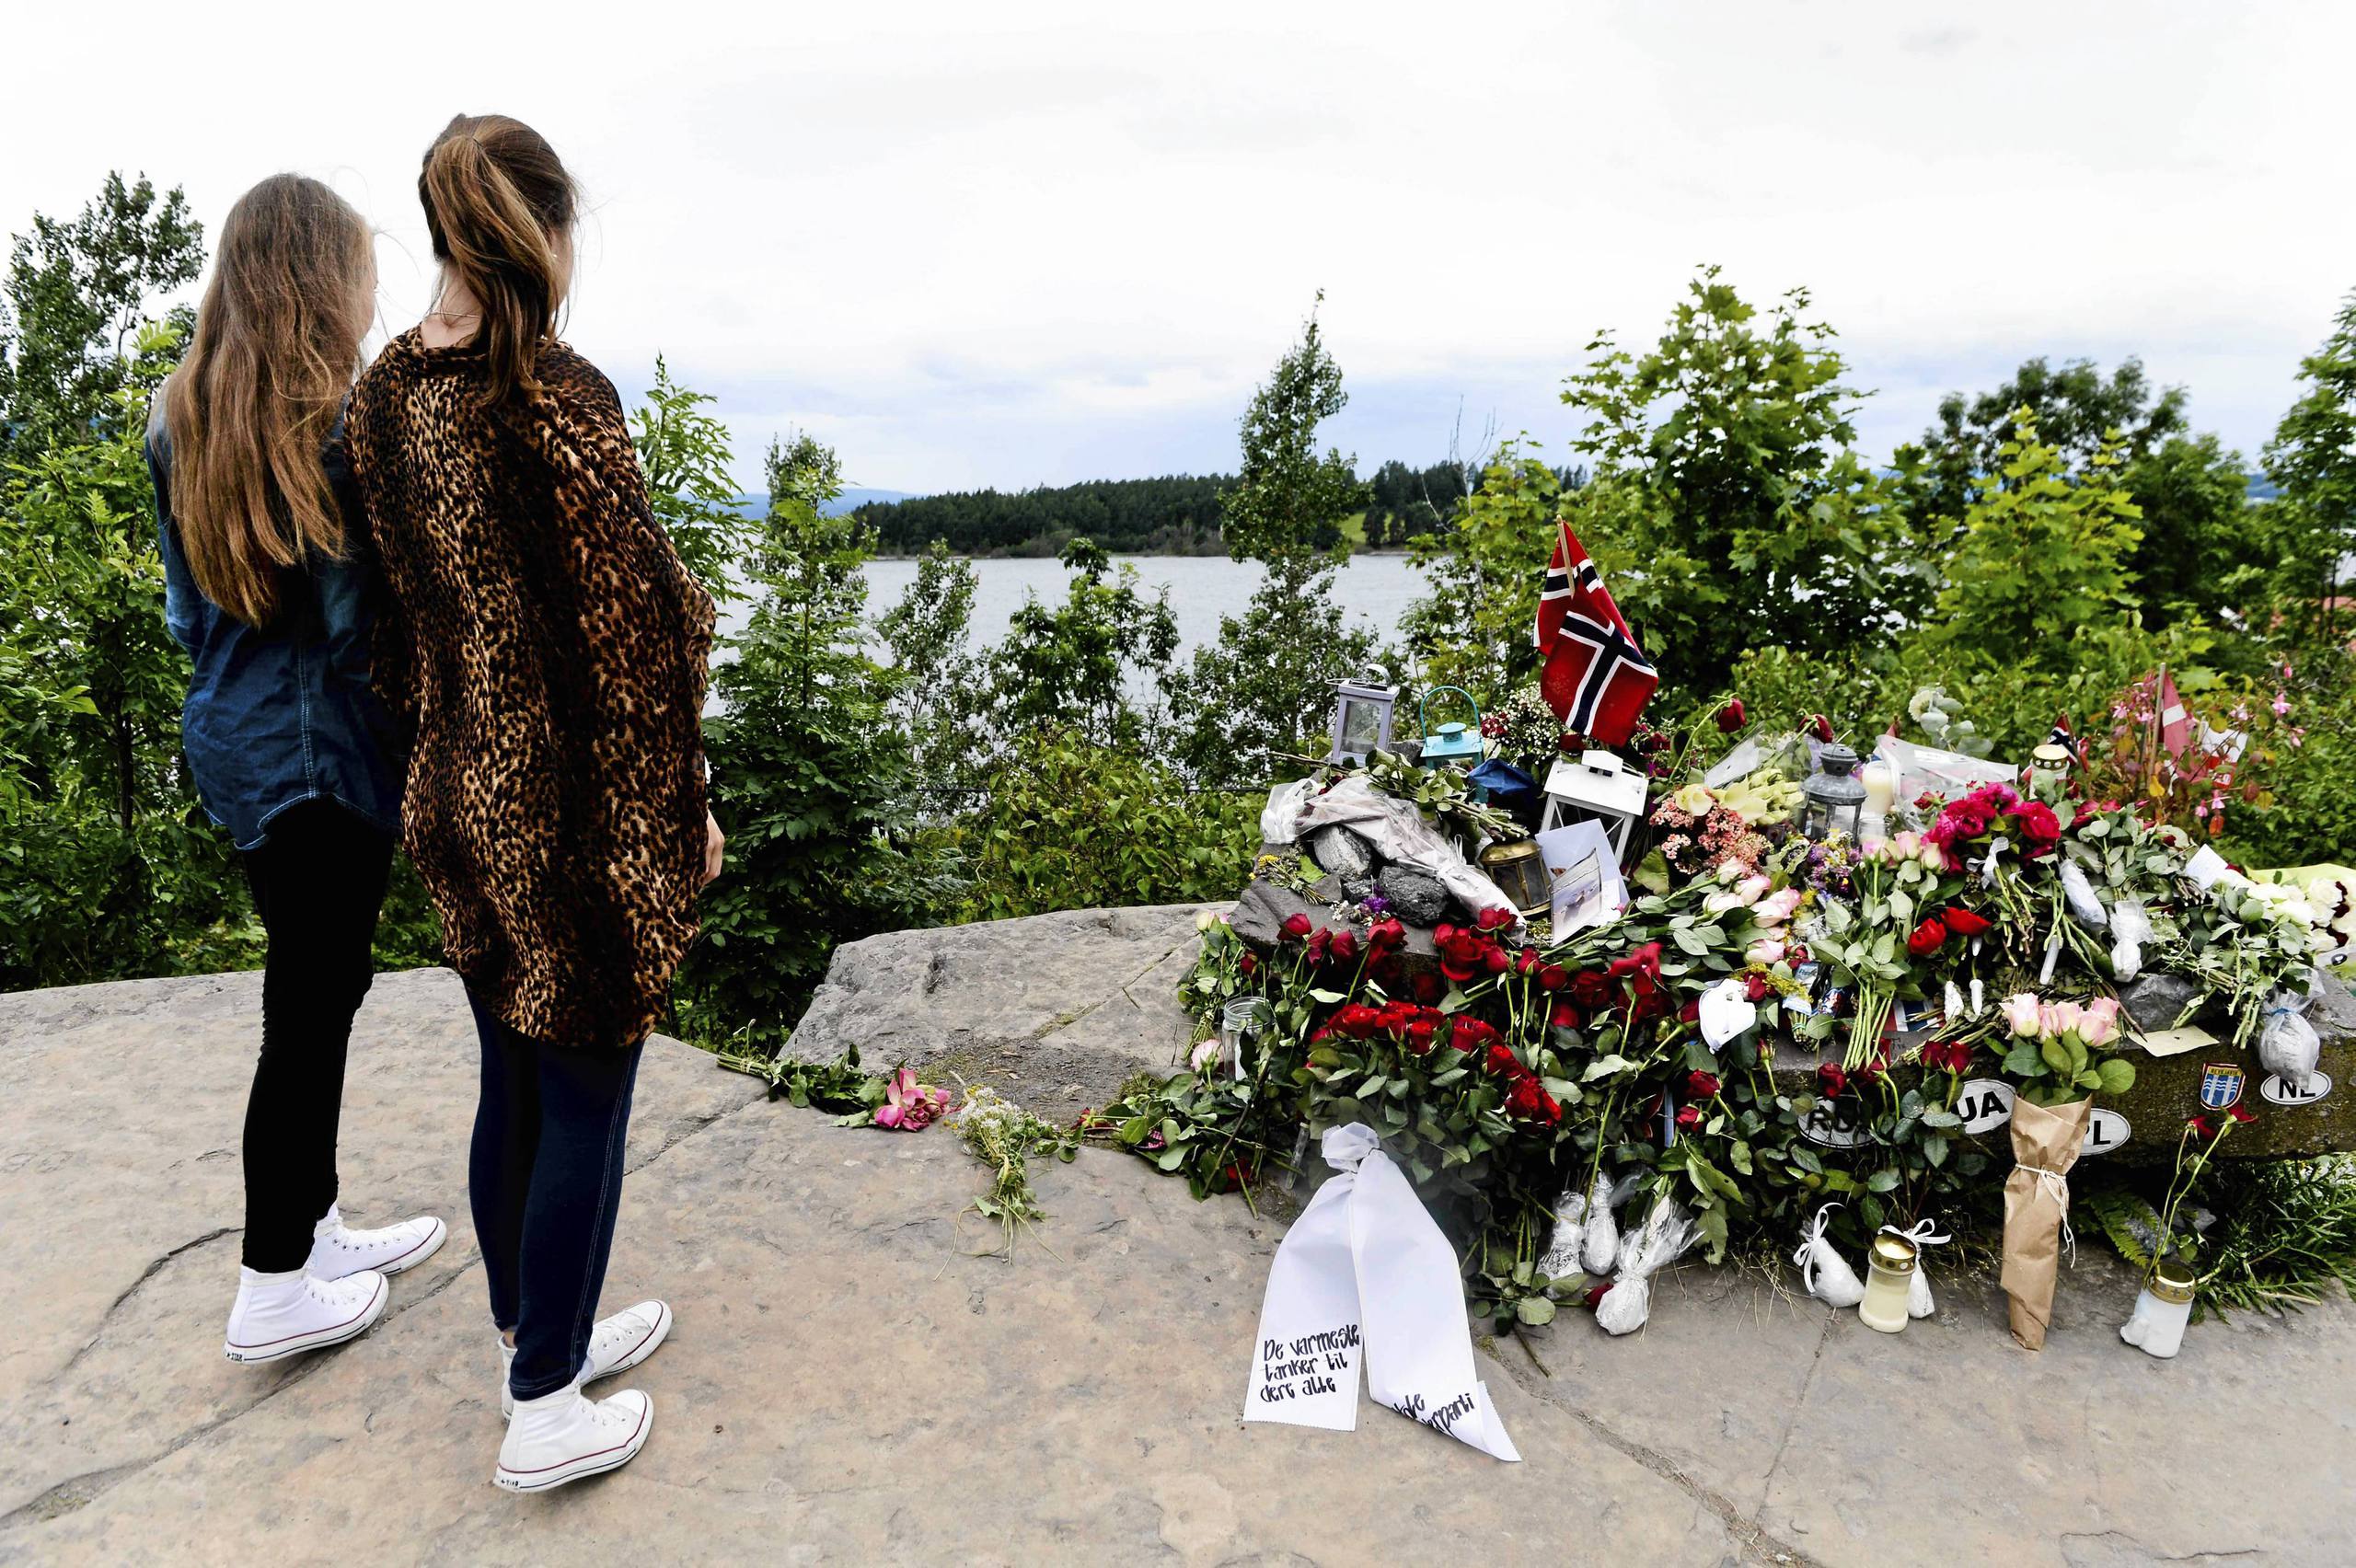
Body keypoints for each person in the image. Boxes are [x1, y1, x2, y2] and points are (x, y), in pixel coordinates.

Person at [345, 113, 722, 1494]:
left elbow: (392, 625)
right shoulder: (557, 394)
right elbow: (646, 627)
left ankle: (528, 1337)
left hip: (461, 796)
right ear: (541, 232)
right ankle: (547, 1401)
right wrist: (682, 805)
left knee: (514, 1067)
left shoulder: (380, 401)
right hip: (580, 816)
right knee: (590, 1095)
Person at [149, 174, 447, 1366]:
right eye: (361, 270)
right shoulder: (334, 424)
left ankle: (314, 1228)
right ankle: (272, 1283)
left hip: (232, 742)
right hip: (323, 758)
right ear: (321, 280)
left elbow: (183, 616)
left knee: (316, 987)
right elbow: (353, 626)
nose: (375, 293)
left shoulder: (182, 412)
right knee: (309, 1007)